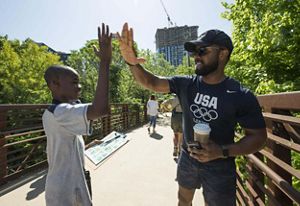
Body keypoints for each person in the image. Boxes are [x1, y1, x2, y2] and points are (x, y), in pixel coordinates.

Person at [117, 23, 267, 206]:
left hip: (220, 165)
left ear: (222, 53)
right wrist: (131, 63)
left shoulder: (240, 95)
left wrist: (222, 151)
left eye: (202, 50)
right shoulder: (186, 84)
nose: (196, 56)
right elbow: (151, 82)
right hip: (187, 158)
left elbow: (258, 138)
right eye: (194, 51)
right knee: (183, 200)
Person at [42, 23, 112, 206]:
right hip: (65, 191)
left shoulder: (57, 112)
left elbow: (66, 144)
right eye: (74, 83)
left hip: (70, 184)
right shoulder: (61, 112)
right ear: (55, 84)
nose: (79, 87)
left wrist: (88, 145)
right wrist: (105, 62)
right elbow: (101, 108)